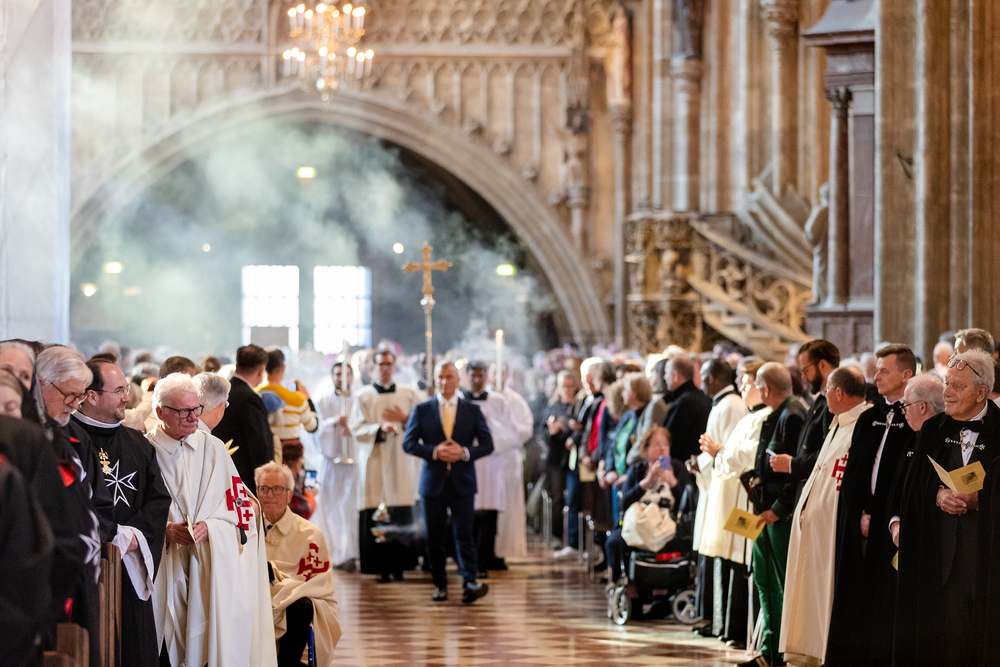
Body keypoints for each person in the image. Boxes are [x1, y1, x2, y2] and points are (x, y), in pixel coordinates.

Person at [147, 373, 275, 667]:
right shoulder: (143, 450)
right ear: (159, 412)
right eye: (184, 411)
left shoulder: (214, 448)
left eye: (196, 409)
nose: (194, 418)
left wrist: (214, 527)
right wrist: (164, 530)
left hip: (209, 567)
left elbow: (245, 508)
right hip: (164, 565)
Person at [894, 350, 998, 667]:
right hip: (938, 558)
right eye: (946, 383)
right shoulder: (932, 430)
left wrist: (983, 499)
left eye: (957, 386)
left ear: (981, 392)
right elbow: (913, 487)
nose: (947, 393)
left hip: (987, 560)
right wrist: (938, 495)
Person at [72, 359, 171, 666]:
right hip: (89, 567)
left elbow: (159, 499)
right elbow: (71, 502)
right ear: (91, 396)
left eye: (126, 389)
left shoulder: (137, 442)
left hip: (132, 560)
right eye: (118, 391)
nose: (127, 397)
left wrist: (134, 535)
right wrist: (110, 533)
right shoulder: (70, 440)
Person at [826, 344, 916, 666]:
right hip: (861, 519)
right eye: (876, 370)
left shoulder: (916, 420)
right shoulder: (869, 417)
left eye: (884, 371)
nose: (875, 376)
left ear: (906, 374)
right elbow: (856, 473)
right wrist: (859, 512)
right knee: (854, 592)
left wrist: (882, 517)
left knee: (884, 596)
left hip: (891, 523)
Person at [779, 367, 869, 667]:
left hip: (831, 526)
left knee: (824, 589)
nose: (825, 396)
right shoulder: (838, 423)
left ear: (839, 393)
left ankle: (820, 650)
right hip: (816, 524)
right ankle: (807, 648)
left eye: (828, 390)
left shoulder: (860, 425)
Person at [36, 346, 110, 667]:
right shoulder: (31, 438)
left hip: (75, 567)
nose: (75, 405)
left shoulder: (67, 434)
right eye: (70, 395)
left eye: (80, 397)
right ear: (42, 383)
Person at [402, 361, 493, 604]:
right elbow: (408, 443)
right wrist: (434, 451)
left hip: (463, 481)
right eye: (440, 377)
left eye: (449, 377)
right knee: (435, 536)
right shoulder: (423, 409)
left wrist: (464, 452)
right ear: (435, 380)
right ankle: (440, 583)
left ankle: (470, 582)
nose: (444, 382)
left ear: (458, 380)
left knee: (465, 534)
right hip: (433, 482)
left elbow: (487, 444)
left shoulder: (471, 410)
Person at [699, 359, 770, 650]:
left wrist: (719, 451)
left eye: (746, 381)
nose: (740, 386)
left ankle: (741, 629)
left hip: (744, 501)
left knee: (742, 561)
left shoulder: (763, 417)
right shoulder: (749, 416)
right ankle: (729, 626)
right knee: (732, 560)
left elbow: (746, 457)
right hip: (732, 495)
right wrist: (719, 453)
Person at [740, 363, 806, 667]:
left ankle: (777, 651)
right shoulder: (780, 413)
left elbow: (795, 470)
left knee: (778, 584)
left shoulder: (792, 415)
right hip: (765, 511)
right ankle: (769, 648)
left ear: (765, 389)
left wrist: (778, 509)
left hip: (778, 516)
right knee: (764, 580)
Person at [257, 462, 341, 667]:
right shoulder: (246, 530)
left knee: (303, 606)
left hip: (294, 606)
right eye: (264, 489)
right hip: (255, 599)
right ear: (256, 492)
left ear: (289, 494)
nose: (270, 495)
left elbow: (321, 584)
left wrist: (284, 587)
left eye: (277, 489)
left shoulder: (311, 535)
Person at [348, 348, 421, 581]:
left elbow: (423, 423)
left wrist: (405, 418)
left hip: (400, 460)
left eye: (389, 364)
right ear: (374, 367)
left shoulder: (408, 394)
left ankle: (400, 566)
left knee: (400, 509)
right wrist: (379, 429)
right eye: (381, 364)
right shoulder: (363, 396)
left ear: (395, 366)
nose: (385, 368)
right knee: (375, 509)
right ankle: (379, 567)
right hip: (375, 460)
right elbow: (355, 427)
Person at [693, 358, 749, 640]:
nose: (742, 385)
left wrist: (708, 460)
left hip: (732, 493)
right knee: (717, 553)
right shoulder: (723, 404)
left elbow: (732, 453)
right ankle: (717, 620)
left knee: (728, 554)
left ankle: (728, 624)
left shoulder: (732, 406)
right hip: (718, 487)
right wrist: (703, 461)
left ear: (712, 378)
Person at [603, 426, 692, 580]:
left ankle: (665, 587)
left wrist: (672, 482)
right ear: (646, 449)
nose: (662, 448)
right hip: (639, 520)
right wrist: (646, 483)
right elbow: (624, 502)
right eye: (657, 444)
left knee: (682, 540)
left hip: (667, 521)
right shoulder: (637, 470)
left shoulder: (677, 469)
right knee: (614, 543)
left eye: (666, 444)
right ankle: (626, 583)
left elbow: (689, 501)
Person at [769, 341, 839, 505]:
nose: (803, 377)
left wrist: (792, 464)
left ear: (822, 365)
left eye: (806, 370)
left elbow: (830, 452)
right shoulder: (821, 399)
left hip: (821, 496)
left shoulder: (835, 401)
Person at [461, 361, 515, 572]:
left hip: (491, 464)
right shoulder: (459, 401)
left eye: (481, 376)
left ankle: (485, 561)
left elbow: (511, 434)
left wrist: (490, 423)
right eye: (473, 376)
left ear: (487, 377)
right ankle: (467, 562)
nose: (476, 380)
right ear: (466, 377)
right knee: (467, 515)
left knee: (488, 514)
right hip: (466, 463)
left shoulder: (499, 402)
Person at [314, 361, 360, 571]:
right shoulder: (323, 401)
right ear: (332, 376)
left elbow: (364, 427)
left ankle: (350, 553)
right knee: (330, 508)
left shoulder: (358, 401)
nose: (342, 378)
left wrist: (353, 429)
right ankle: (333, 554)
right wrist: (334, 422)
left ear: (352, 377)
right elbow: (314, 431)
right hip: (331, 463)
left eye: (346, 374)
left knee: (349, 509)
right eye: (338, 374)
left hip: (352, 462)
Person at [213, 345, 273, 495]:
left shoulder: (223, 391)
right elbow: (259, 443)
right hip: (245, 477)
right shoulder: (250, 398)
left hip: (222, 469)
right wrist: (266, 481)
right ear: (261, 370)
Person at [492, 363, 534, 562]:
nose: (497, 377)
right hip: (487, 462)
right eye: (494, 372)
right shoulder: (484, 399)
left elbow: (525, 430)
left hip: (508, 459)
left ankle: (506, 549)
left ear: (507, 374)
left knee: (509, 508)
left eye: (501, 373)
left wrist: (501, 435)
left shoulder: (516, 401)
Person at [257, 348, 319, 464]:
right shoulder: (297, 399)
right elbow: (313, 427)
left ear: (263, 367)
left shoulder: (256, 395)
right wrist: (307, 398)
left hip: (263, 460)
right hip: (290, 462)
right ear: (283, 367)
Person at [542, 369, 581, 546]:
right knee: (557, 496)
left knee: (573, 497)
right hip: (556, 458)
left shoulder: (578, 406)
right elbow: (542, 433)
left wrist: (571, 430)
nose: (566, 389)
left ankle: (573, 539)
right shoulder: (552, 407)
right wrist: (552, 431)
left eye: (569, 386)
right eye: (562, 386)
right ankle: (556, 536)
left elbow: (582, 429)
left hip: (573, 458)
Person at [662, 356, 712, 462]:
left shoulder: (684, 403)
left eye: (666, 373)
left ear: (675, 375)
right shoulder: (701, 397)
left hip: (682, 466)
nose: (664, 377)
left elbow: (668, 443)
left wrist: (664, 466)